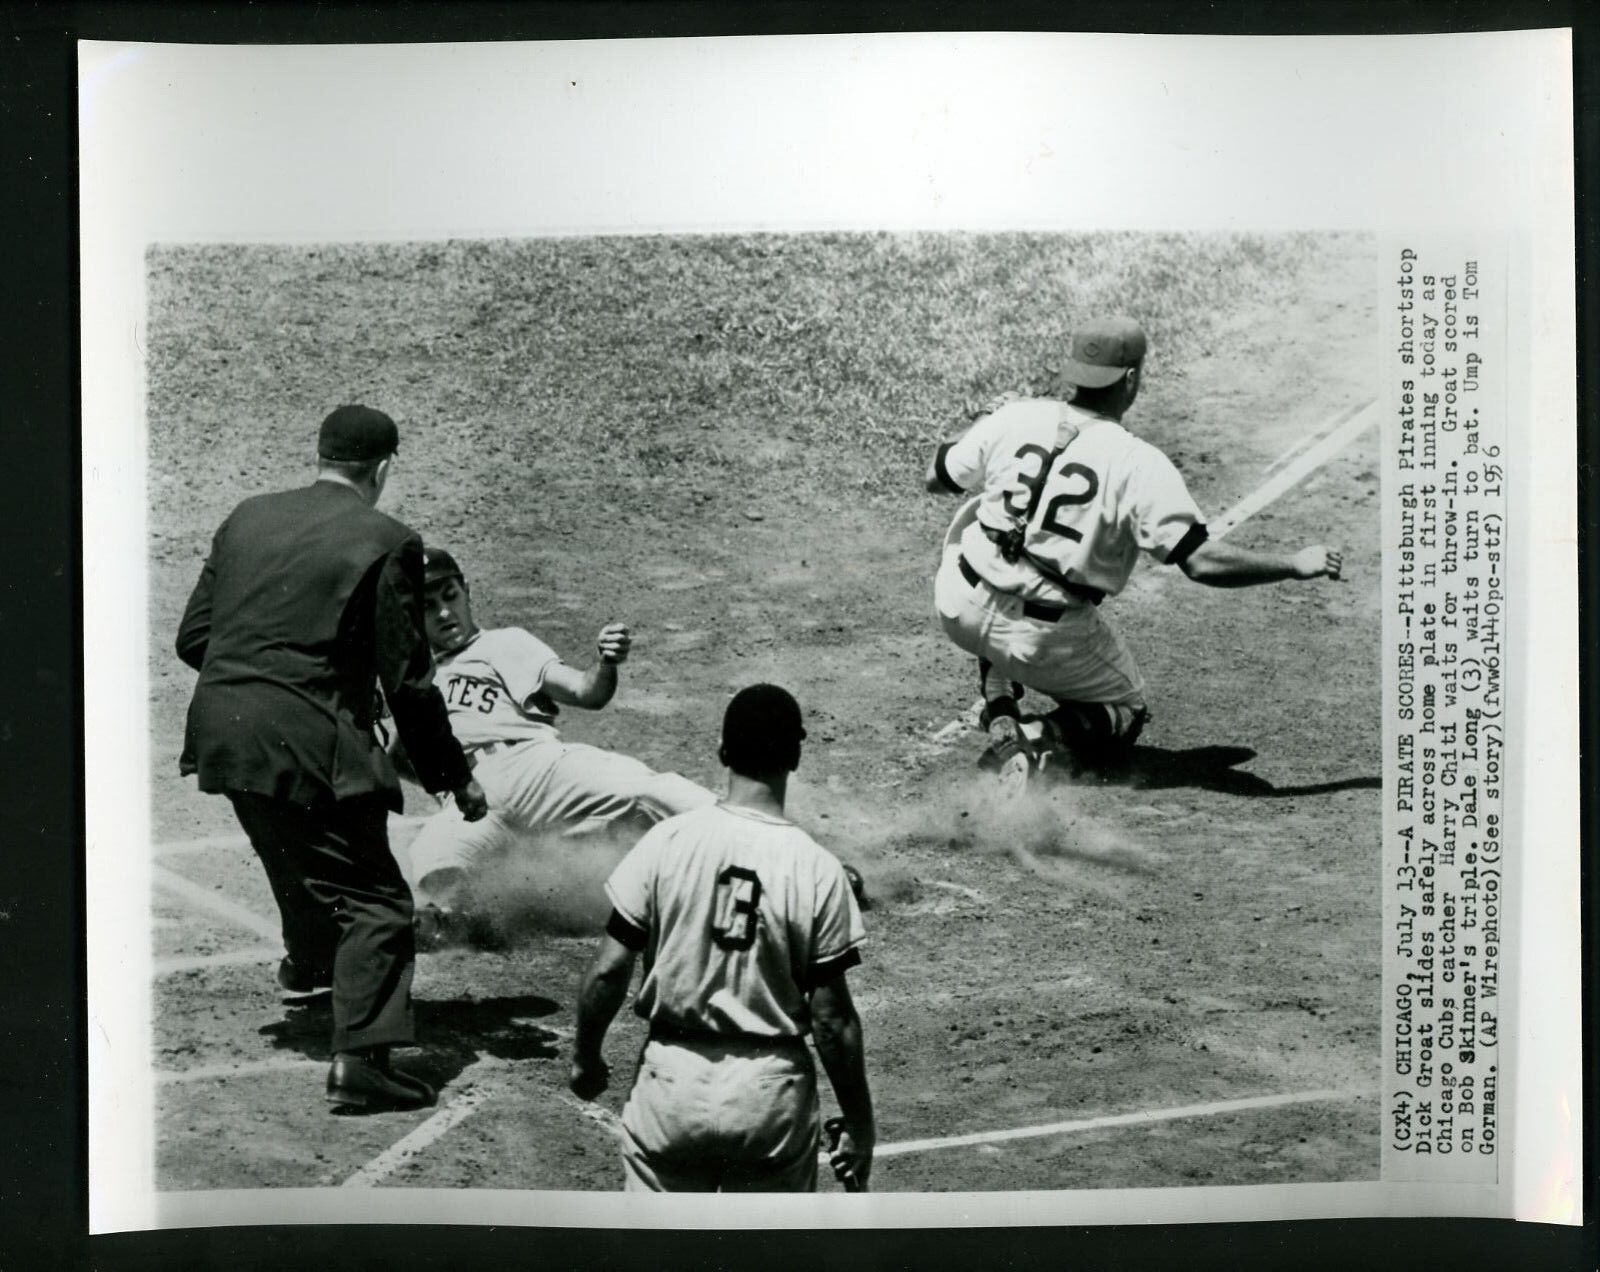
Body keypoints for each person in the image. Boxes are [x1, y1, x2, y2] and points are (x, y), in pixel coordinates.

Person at [176, 404, 489, 1112]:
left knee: (299, 852)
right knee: (375, 900)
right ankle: (363, 1063)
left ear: (320, 455)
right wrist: (454, 779)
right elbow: (407, 682)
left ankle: (312, 969)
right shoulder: (388, 540)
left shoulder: (246, 516)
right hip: (305, 735)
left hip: (223, 727)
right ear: (382, 469)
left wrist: (265, 665)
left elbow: (195, 636)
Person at [925, 316, 1344, 787]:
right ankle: (1032, 734)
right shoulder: (1139, 462)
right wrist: (1292, 564)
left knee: (985, 529)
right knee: (1126, 709)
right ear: (1130, 379)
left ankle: (999, 702)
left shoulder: (1016, 414)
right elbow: (1201, 562)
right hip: (1039, 638)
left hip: (957, 604)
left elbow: (936, 476)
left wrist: (983, 419)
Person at [568, 684, 875, 1193]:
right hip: (771, 1095)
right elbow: (832, 1020)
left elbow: (608, 970)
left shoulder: (667, 840)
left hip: (672, 1083)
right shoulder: (817, 867)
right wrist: (860, 1126)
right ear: (795, 757)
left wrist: (585, 1057)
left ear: (722, 750)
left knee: (657, 1261)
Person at [399, 547, 717, 935]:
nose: (445, 612)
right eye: (429, 605)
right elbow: (392, 757)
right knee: (431, 872)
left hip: (535, 765)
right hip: (471, 800)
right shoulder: (410, 681)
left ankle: (743, 829)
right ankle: (480, 917)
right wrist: (446, 779)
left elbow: (587, 692)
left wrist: (605, 664)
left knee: (646, 790)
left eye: (450, 596)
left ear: (467, 591)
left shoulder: (504, 643)